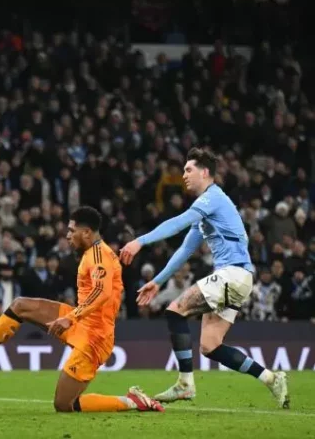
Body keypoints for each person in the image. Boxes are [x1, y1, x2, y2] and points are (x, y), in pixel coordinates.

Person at [0, 206, 164, 413]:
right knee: (20, 306)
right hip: (81, 321)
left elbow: (102, 292)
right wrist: (73, 317)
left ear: (86, 233)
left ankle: (130, 401)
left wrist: (70, 317)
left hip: (95, 337)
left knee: (64, 404)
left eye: (71, 231)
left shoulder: (100, 256)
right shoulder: (91, 253)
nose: (67, 236)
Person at [119, 147, 289, 408]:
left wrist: (139, 241)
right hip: (239, 278)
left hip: (231, 274)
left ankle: (185, 384)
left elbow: (178, 222)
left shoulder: (212, 198)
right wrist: (159, 281)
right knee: (210, 346)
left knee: (175, 312)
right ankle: (271, 378)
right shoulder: (207, 211)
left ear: (205, 172)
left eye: (189, 170)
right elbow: (185, 250)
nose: (184, 175)